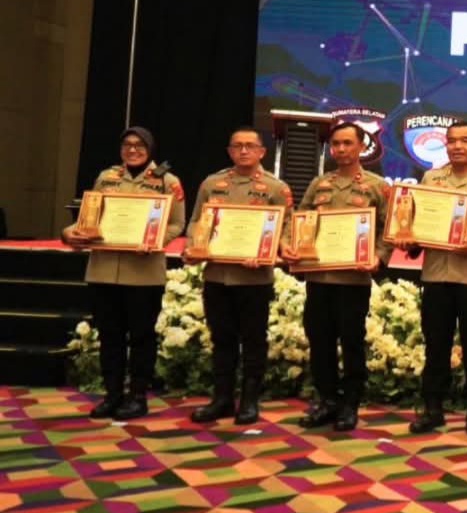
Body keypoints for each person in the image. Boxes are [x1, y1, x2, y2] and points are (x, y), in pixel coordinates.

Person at [61, 127, 186, 420]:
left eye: (139, 145)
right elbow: (90, 217)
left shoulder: (167, 181)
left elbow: (176, 223)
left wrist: (155, 240)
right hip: (104, 270)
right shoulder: (107, 177)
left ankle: (138, 396)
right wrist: (70, 233)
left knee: (141, 337)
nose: (133, 150)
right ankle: (112, 395)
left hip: (143, 272)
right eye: (127, 144)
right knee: (110, 336)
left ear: (150, 149)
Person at [397, 121, 467, 436]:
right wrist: (409, 238)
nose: (457, 146)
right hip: (436, 276)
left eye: (464, 140)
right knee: (436, 347)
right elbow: (417, 223)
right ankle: (432, 410)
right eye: (451, 141)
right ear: (445, 145)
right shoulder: (431, 179)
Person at [284, 123, 389, 433]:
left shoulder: (377, 186)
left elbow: (389, 228)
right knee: (320, 342)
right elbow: (299, 220)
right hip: (319, 277)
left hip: (353, 280)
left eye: (347, 143)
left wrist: (379, 256)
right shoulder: (319, 184)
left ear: (361, 147)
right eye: (336, 144)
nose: (341, 149)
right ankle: (327, 400)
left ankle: (350, 404)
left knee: (352, 342)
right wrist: (290, 244)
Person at [186, 127, 293, 426]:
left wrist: (271, 251)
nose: (243, 151)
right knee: (221, 339)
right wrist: (196, 245)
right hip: (217, 275)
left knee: (254, 341)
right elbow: (196, 222)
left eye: (250, 146)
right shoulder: (212, 183)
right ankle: (221, 399)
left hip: (254, 278)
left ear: (262, 152)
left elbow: (286, 228)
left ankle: (249, 401)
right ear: (229, 151)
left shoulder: (276, 188)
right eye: (237, 146)